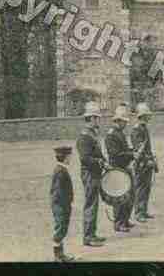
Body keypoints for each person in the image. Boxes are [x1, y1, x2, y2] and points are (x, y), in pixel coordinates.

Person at [76, 101, 107, 247]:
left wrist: (103, 160)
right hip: (89, 174)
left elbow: (97, 154)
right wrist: (99, 162)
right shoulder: (84, 136)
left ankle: (92, 234)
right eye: (97, 118)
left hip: (94, 173)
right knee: (91, 204)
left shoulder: (91, 134)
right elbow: (85, 158)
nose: (98, 120)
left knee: (93, 203)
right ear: (92, 118)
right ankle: (88, 237)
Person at [104, 106, 135, 232]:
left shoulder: (120, 133)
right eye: (124, 122)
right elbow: (115, 154)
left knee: (130, 196)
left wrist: (132, 152)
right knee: (120, 197)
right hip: (117, 168)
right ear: (118, 121)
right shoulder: (111, 135)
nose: (125, 124)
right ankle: (118, 223)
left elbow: (124, 151)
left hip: (125, 167)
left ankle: (125, 220)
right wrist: (131, 154)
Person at [131, 102, 158, 222]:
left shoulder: (144, 128)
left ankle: (143, 210)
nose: (149, 117)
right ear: (142, 116)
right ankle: (138, 213)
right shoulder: (137, 130)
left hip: (147, 164)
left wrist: (152, 160)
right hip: (141, 164)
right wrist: (147, 161)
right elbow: (139, 150)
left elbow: (147, 148)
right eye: (147, 115)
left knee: (146, 188)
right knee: (140, 189)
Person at [50, 146, 76, 262]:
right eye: (69, 156)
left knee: (62, 228)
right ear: (65, 157)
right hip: (61, 205)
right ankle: (58, 255)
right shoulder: (61, 171)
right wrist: (64, 205)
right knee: (61, 228)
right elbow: (58, 191)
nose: (70, 158)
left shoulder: (61, 169)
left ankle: (60, 254)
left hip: (61, 204)